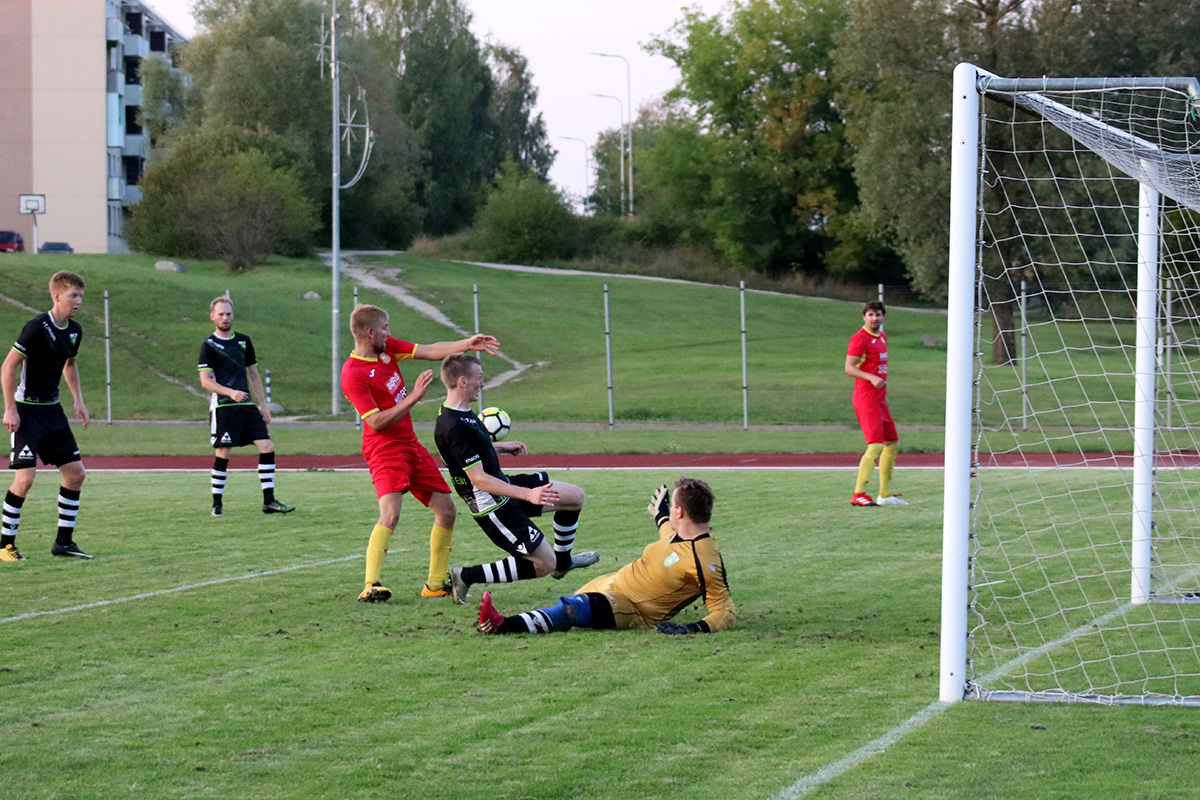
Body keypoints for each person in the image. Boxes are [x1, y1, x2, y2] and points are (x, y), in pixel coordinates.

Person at [341, 304, 501, 603]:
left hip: (410, 445)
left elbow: (429, 350)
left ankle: (434, 585)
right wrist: (413, 397)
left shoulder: (387, 349)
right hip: (383, 449)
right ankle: (371, 584)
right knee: (390, 514)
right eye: (385, 327)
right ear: (370, 333)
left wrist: (467, 343)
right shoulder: (352, 374)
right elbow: (376, 422)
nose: (389, 332)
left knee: (447, 510)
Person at [477, 476, 735, 636]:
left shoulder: (705, 560)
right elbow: (670, 536)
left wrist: (692, 627)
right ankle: (513, 622)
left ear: (680, 512)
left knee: (571, 608)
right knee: (567, 608)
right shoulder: (682, 536)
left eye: (672, 506)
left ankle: (502, 625)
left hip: (631, 608)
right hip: (611, 584)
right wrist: (660, 515)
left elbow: (724, 610)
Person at [434, 354, 597, 606]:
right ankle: (466, 576)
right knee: (543, 564)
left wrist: (499, 447)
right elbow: (479, 480)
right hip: (492, 504)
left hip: (504, 485)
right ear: (463, 381)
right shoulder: (452, 425)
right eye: (479, 378)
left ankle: (563, 564)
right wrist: (528, 494)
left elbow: (470, 453)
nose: (483, 383)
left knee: (574, 497)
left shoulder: (463, 413)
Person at [1, 270, 92, 561]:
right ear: (56, 296)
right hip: (27, 412)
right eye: (73, 295)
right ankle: (5, 547)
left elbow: (70, 365)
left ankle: (63, 543)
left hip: (53, 411)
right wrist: (10, 408)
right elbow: (9, 366)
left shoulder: (74, 331)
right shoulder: (37, 327)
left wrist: (79, 400)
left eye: (80, 296)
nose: (78, 301)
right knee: (25, 480)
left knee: (76, 474)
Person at [198, 296, 295, 517]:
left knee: (267, 446)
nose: (225, 317)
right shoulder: (209, 345)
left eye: (228, 314)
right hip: (224, 406)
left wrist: (263, 405)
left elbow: (253, 373)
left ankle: (269, 501)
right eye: (221, 314)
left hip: (247, 405)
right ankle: (217, 504)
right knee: (223, 452)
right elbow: (206, 381)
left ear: (233, 315)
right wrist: (230, 392)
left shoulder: (243, 341)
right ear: (213, 317)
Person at [844, 300, 907, 506]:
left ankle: (885, 495)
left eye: (878, 315)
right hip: (866, 398)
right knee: (876, 445)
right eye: (870, 315)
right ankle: (858, 494)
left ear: (883, 317)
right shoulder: (859, 338)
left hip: (879, 400)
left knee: (893, 443)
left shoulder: (882, 337)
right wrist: (870, 377)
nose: (874, 318)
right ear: (864, 317)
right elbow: (849, 367)